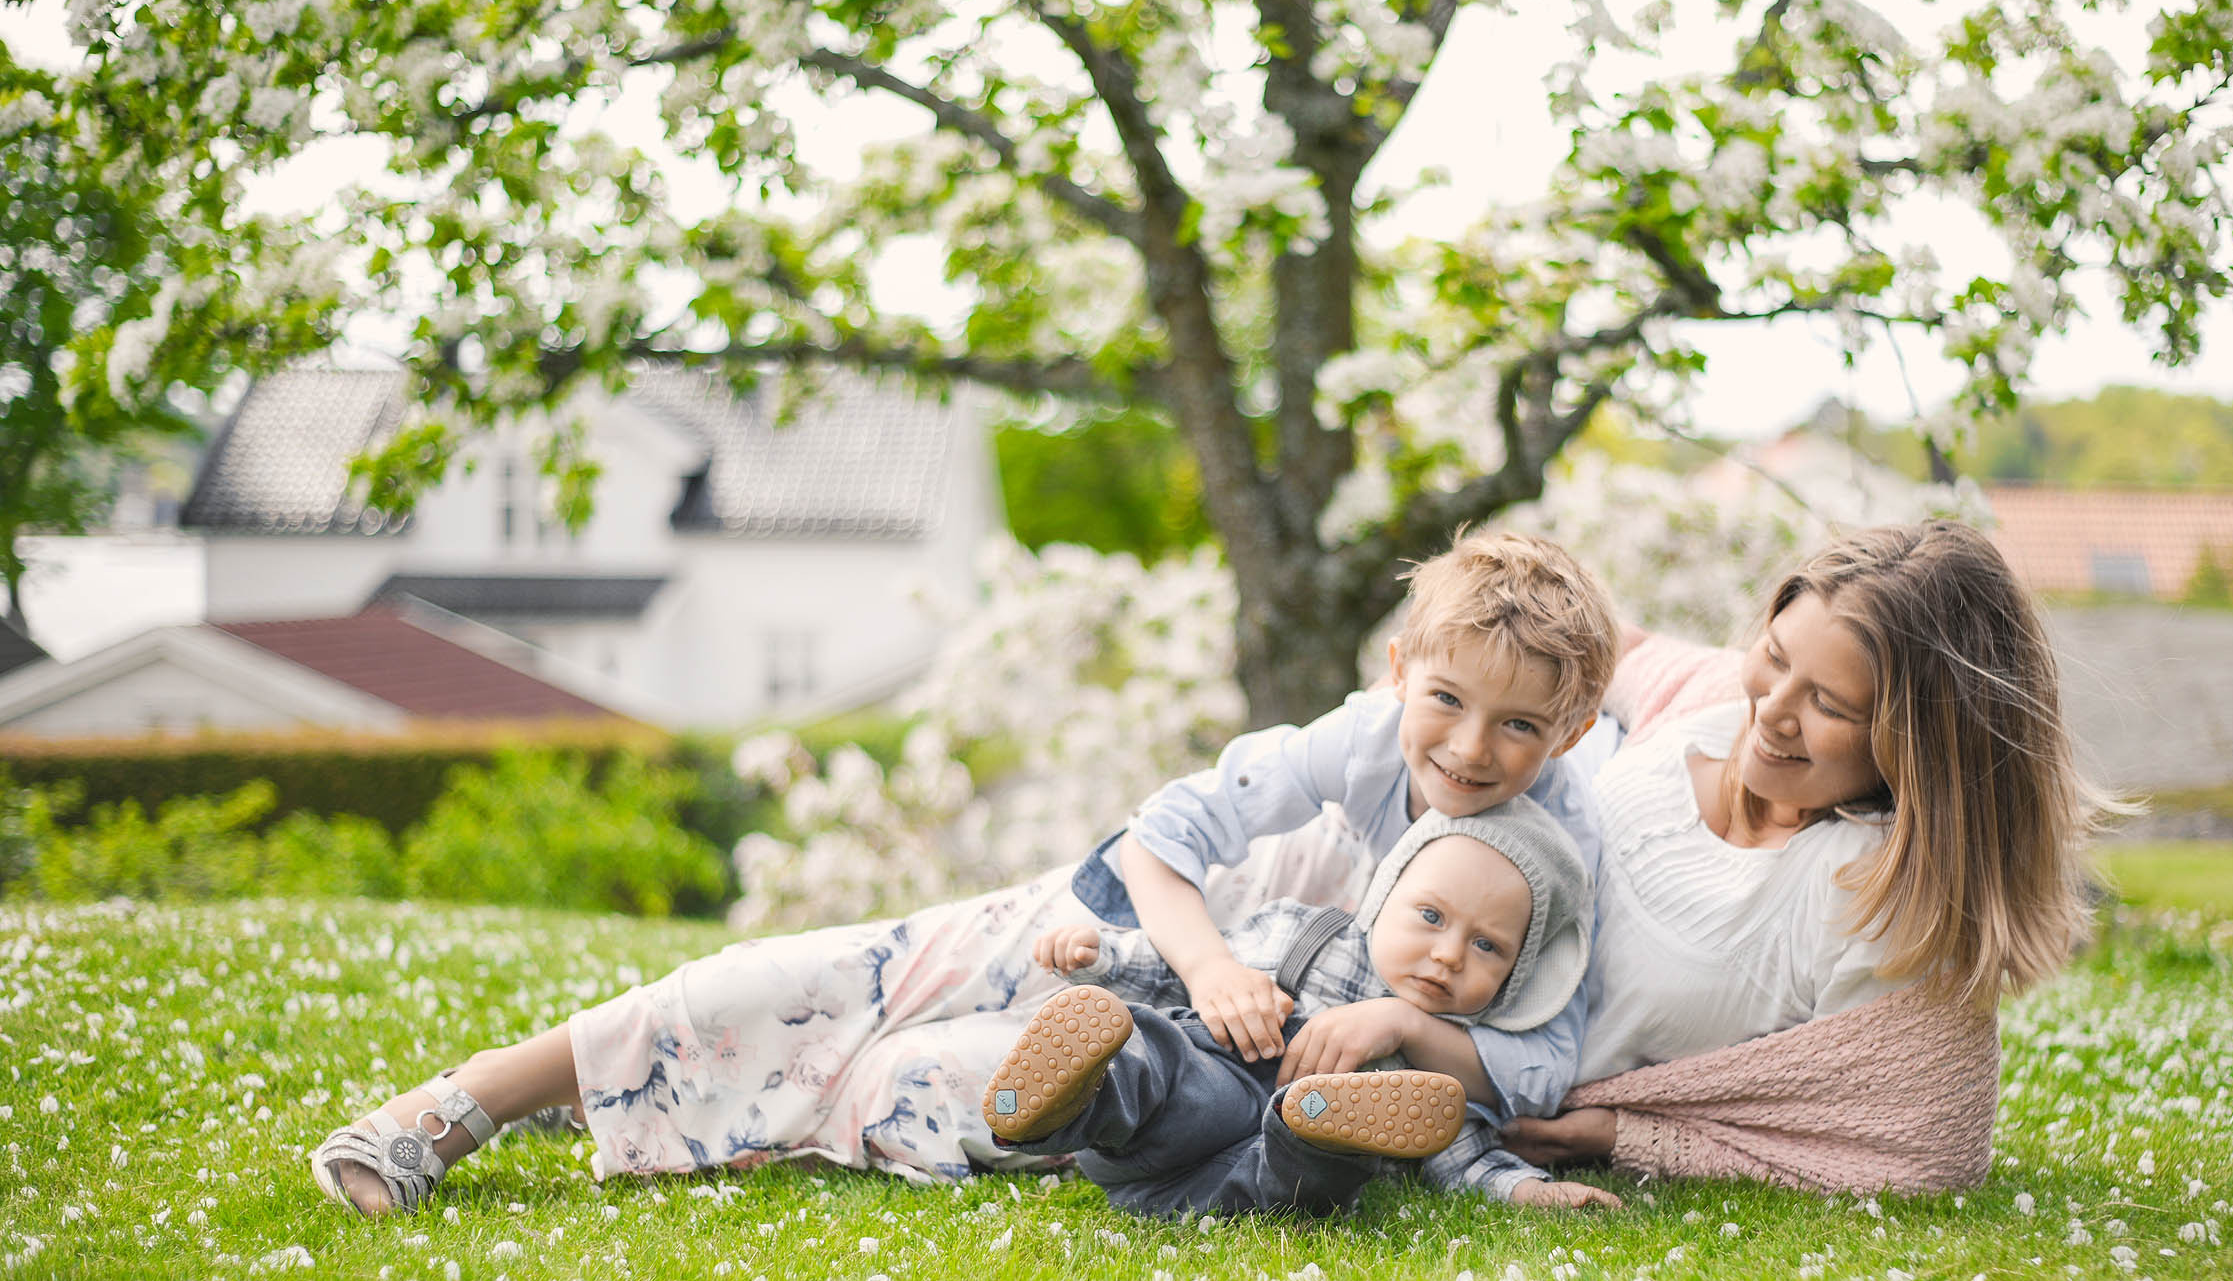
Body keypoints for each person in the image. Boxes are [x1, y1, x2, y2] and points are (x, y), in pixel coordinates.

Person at [308, 529, 1622, 1217]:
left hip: (1178, 1048)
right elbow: (1165, 837)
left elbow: (1539, 1060)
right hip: (1109, 932)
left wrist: (1400, 1019)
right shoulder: (1353, 732)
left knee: (936, 1094)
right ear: (1401, 667)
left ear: (1565, 728)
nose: (1471, 746)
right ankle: (465, 1106)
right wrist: (1213, 961)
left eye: (1519, 726)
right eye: (1447, 699)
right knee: (814, 981)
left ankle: (639, 1102)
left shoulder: (1553, 847)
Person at [1484, 518, 2111, 1196]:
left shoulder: (1872, 893)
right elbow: (1574, 644)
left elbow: (1926, 1143)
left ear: (1916, 748)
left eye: (1829, 705)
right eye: (1777, 657)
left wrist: (1624, 1135)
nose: (1773, 711)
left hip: (1472, 1074)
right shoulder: (1712, 697)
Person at [986, 796, 1593, 1217]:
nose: (1449, 956)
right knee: (1160, 1061)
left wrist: (1527, 1191)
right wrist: (1102, 960)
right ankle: (1056, 1105)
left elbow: (1462, 1156)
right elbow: (1181, 969)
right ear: (1386, 894)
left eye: (1487, 946)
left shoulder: (1438, 1060)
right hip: (1209, 1084)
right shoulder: (1307, 935)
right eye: (1431, 917)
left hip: (1221, 1186)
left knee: (1300, 1176)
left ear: (1514, 976)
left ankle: (1317, 1126)